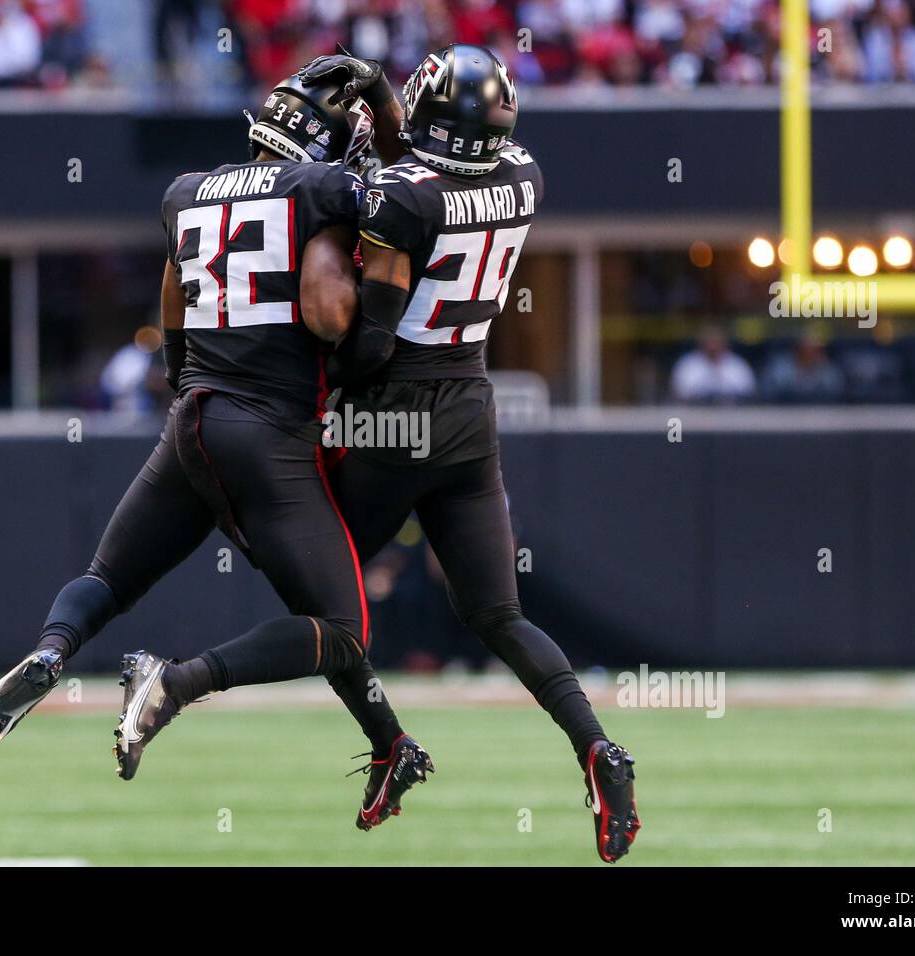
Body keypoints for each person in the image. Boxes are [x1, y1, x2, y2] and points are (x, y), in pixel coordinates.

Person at [0, 67, 434, 821]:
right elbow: (408, 187)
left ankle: (53, 649)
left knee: (108, 578)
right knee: (340, 628)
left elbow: (173, 312)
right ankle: (175, 683)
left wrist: (190, 390)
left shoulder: (185, 193)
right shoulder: (324, 191)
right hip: (267, 428)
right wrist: (379, 104)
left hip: (191, 419)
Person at [299, 45, 640, 862]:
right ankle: (596, 745)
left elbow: (370, 338)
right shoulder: (523, 173)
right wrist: (382, 104)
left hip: (396, 410)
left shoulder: (405, 199)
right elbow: (422, 172)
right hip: (469, 408)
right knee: (497, 613)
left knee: (317, 595)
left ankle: (385, 746)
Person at [670, 324, 756, 404]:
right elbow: (679, 393)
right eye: (709, 341)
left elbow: (748, 393)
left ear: (724, 343)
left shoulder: (737, 365)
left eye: (716, 341)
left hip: (732, 414)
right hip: (694, 413)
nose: (712, 346)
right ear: (701, 343)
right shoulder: (687, 364)